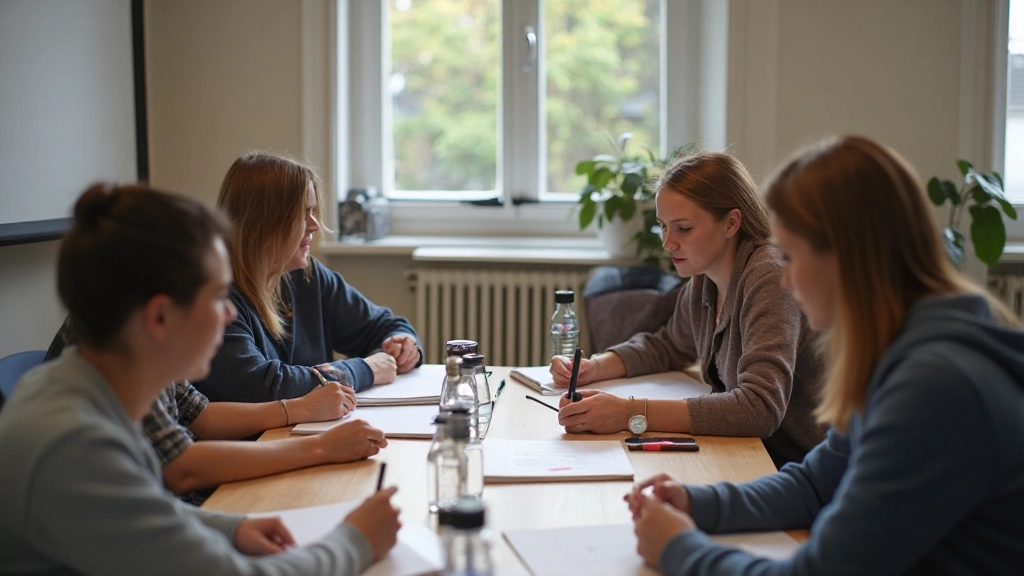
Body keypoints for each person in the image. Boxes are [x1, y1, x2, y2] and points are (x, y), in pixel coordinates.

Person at [628, 136, 1024, 575]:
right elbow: (815, 485)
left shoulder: (936, 385)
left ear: (843, 257)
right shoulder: (901, 349)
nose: (785, 280)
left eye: (792, 257)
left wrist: (679, 549)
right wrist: (698, 502)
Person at [0, 184, 401, 575]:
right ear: (159, 318)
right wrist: (356, 540)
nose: (229, 316)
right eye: (215, 298)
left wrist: (230, 527)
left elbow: (143, 502)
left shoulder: (91, 384)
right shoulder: (78, 446)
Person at [553, 151, 824, 465]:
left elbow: (759, 408)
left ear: (731, 223)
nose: (668, 243)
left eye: (683, 228)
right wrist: (595, 367)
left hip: (801, 466)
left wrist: (629, 412)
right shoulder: (704, 278)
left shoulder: (769, 278)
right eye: (663, 227)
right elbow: (668, 345)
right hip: (753, 453)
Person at [43, 319, 383, 505]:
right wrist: (321, 448)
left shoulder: (142, 325)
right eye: (216, 297)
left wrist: (297, 408)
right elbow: (181, 470)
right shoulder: (123, 346)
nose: (227, 315)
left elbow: (201, 417)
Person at [195, 152, 422, 403]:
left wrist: (402, 344)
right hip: (253, 442)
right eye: (303, 213)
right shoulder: (218, 298)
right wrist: (366, 370)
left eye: (313, 211)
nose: (314, 225)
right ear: (265, 221)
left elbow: (384, 325)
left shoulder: (307, 276)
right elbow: (261, 386)